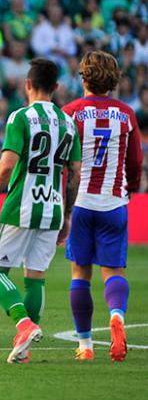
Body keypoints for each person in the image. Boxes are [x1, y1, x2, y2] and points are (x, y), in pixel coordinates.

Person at [0, 58, 82, 364]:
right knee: (35, 277)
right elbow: (75, 172)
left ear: (27, 85)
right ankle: (25, 346)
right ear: (56, 87)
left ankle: (24, 325)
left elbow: (7, 164)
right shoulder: (68, 123)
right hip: (53, 207)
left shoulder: (20, 117)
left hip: (22, 205)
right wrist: (68, 214)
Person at [62, 51, 143, 362]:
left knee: (80, 274)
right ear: (114, 80)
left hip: (81, 202)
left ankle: (85, 346)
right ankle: (118, 315)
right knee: (113, 271)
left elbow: (63, 163)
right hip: (114, 202)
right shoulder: (127, 114)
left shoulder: (70, 112)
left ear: (83, 78)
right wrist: (130, 188)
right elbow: (135, 161)